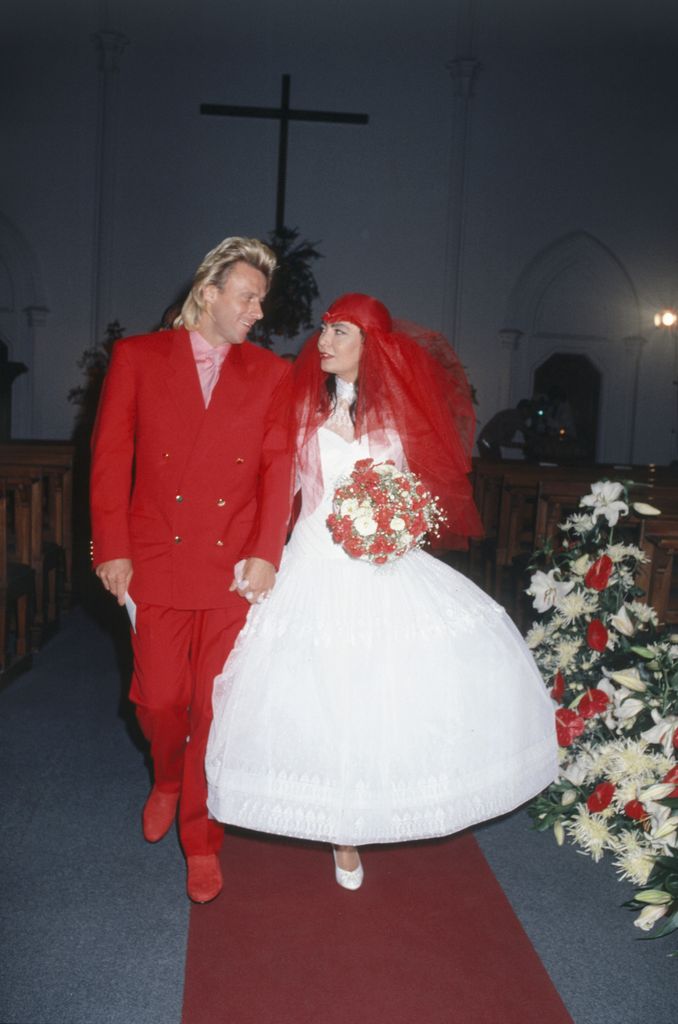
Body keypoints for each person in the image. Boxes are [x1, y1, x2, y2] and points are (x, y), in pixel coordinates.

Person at [205, 293, 558, 890]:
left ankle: (368, 812)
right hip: (315, 555)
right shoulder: (302, 410)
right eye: (324, 329)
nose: (324, 341)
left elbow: (421, 491)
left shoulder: (398, 418)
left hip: (381, 561)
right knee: (321, 689)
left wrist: (399, 523)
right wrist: (258, 552)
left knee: (379, 689)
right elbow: (276, 490)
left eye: (340, 333)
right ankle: (340, 829)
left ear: (370, 347)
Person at [90, 236, 293, 903]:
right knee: (160, 699)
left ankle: (200, 836)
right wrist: (111, 545)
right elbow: (110, 455)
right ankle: (167, 773)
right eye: (246, 295)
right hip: (155, 557)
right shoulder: (138, 358)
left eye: (261, 300)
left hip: (232, 564)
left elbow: (276, 469)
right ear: (208, 292)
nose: (256, 310)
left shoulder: (269, 373)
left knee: (213, 707)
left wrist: (267, 551)